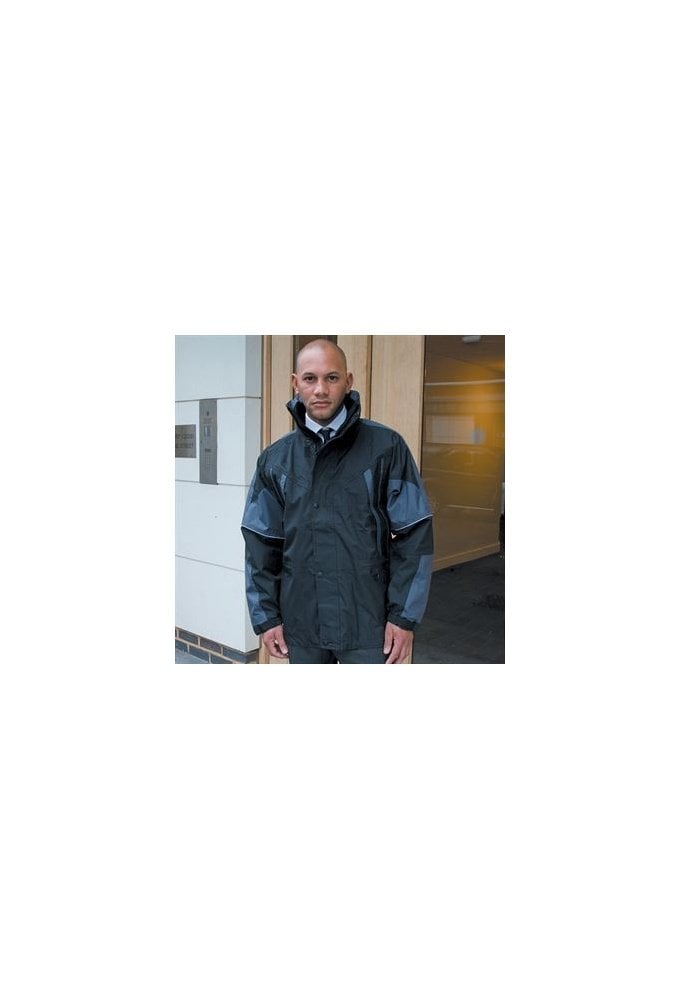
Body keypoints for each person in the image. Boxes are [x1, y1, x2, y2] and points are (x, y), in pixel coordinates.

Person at [241, 339, 433, 663]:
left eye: (331, 377)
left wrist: (403, 617)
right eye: (310, 378)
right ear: (295, 383)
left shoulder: (386, 448)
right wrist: (267, 617)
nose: (320, 389)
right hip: (302, 624)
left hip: (369, 624)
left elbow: (415, 534)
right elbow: (261, 543)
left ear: (348, 381)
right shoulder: (275, 460)